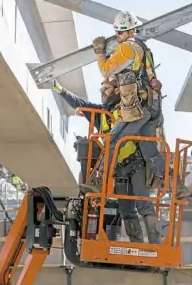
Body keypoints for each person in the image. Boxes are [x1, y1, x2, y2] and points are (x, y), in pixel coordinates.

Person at [90, 10, 191, 200]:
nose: (118, 37)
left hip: (138, 107)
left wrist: (99, 52)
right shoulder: (144, 48)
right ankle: (177, 186)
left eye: (119, 33)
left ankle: (98, 182)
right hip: (153, 105)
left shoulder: (126, 48)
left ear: (128, 31)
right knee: (149, 150)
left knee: (113, 140)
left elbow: (105, 69)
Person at [53, 77, 161, 244]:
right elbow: (78, 102)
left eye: (106, 88)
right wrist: (58, 88)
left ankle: (156, 247)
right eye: (101, 89)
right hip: (118, 169)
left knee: (143, 204)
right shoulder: (100, 114)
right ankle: (137, 247)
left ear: (117, 90)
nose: (102, 92)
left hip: (136, 164)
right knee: (126, 211)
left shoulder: (129, 109)